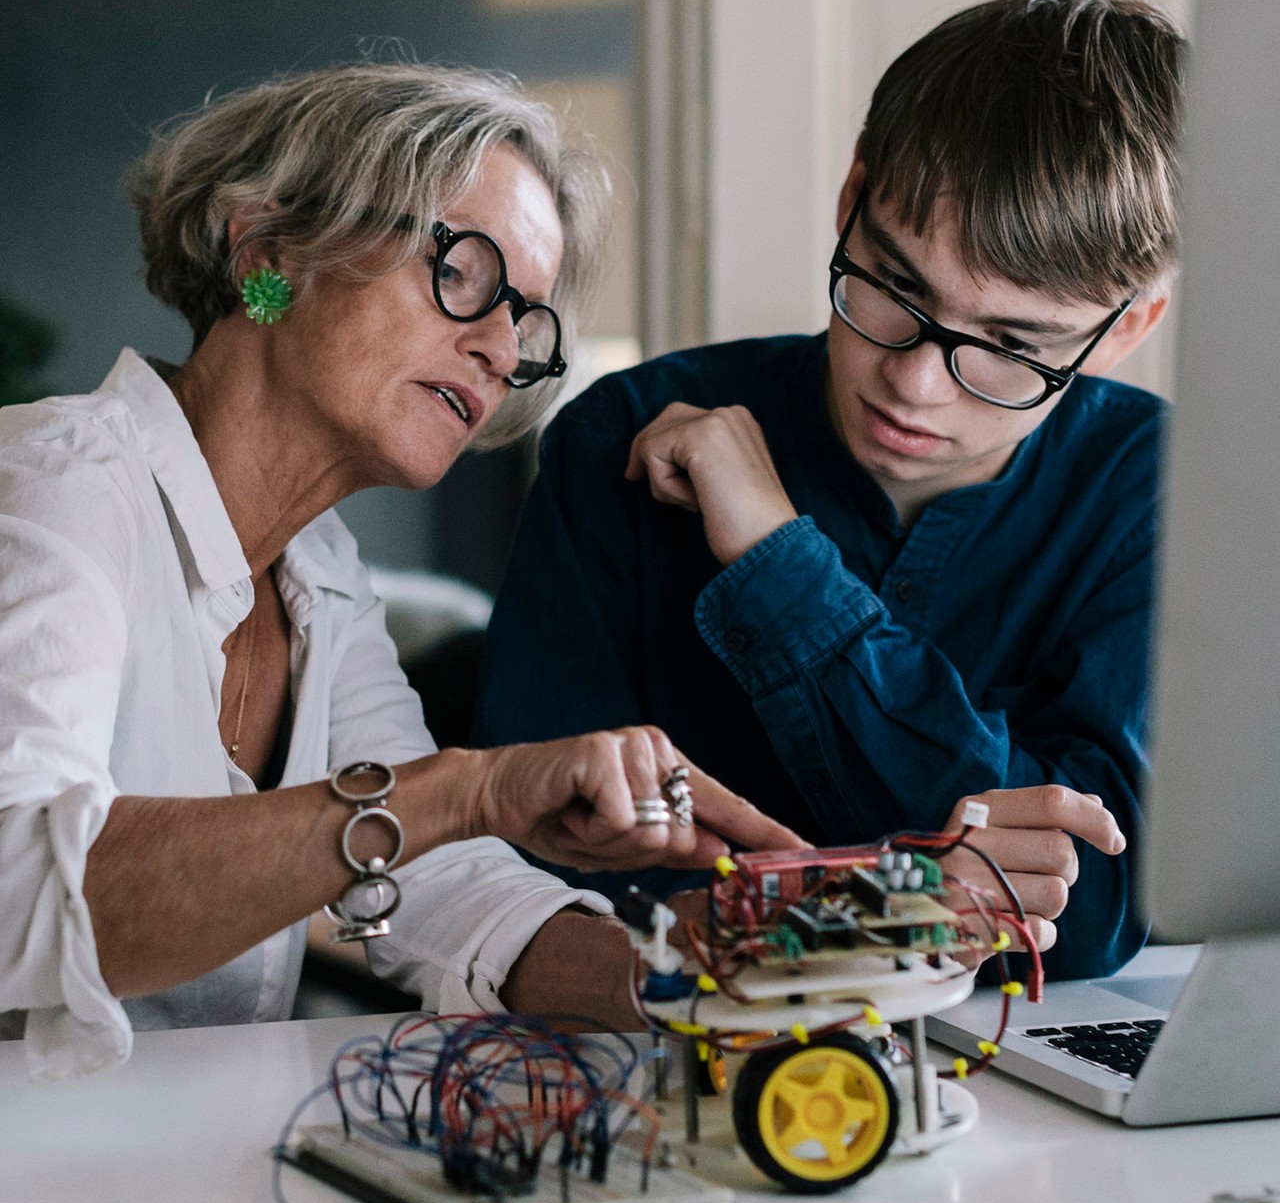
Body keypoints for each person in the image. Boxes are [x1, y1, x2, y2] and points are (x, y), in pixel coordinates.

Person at [0, 62, 802, 1079]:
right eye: (463, 270)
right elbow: (14, 888)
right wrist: (467, 786)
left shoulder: (322, 577)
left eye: (526, 317)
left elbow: (439, 879)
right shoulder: (47, 491)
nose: (502, 349)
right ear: (269, 248)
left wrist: (689, 970)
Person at [474, 0, 1184, 981]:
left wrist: (779, 563)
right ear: (851, 198)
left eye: (1011, 349)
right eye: (894, 292)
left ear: (1125, 331)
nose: (914, 381)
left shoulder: (1163, 494)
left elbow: (1100, 909)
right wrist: (961, 825)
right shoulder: (623, 438)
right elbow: (530, 869)